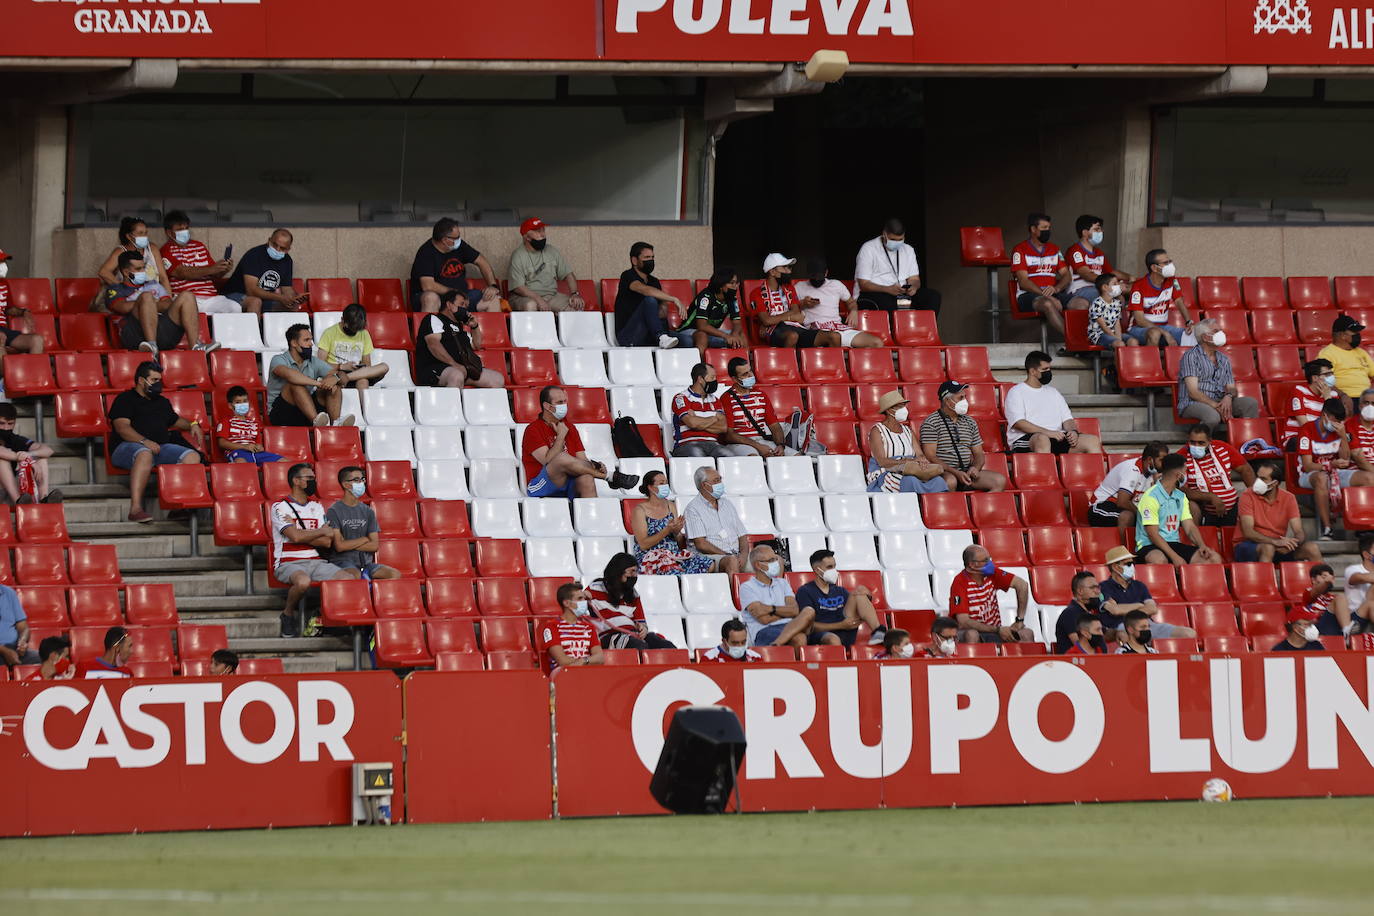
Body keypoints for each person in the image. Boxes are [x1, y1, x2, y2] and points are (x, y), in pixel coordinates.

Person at [108, 361, 205, 523]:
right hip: (126, 448)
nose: (158, 384)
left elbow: (175, 421)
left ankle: (178, 507)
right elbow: (122, 428)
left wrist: (193, 425)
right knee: (144, 454)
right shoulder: (125, 399)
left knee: (192, 457)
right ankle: (135, 509)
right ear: (140, 380)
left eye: (159, 380)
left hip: (159, 447)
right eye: (154, 380)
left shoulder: (161, 402)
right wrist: (144, 441)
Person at [270, 463, 360, 638]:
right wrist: (319, 531)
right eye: (309, 478)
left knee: (347, 579)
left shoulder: (317, 506)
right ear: (296, 481)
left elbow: (326, 542)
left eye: (314, 478)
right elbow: (295, 537)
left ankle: (319, 615)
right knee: (303, 582)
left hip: (316, 560)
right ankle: (288, 614)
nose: (313, 481)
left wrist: (301, 532)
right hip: (288, 562)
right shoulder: (280, 507)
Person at [522, 385, 638, 497]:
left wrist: (594, 466)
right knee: (561, 458)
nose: (564, 405)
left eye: (565, 401)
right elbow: (547, 461)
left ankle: (594, 515)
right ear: (547, 406)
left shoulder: (570, 427)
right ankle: (609, 477)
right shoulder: (533, 430)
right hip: (540, 484)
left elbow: (582, 459)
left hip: (568, 481)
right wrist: (561, 436)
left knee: (587, 478)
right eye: (559, 403)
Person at [105, 250, 217, 356]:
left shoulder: (154, 285)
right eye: (138, 269)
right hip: (136, 336)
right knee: (146, 296)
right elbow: (123, 307)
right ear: (125, 272)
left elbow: (168, 304)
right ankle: (151, 346)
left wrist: (149, 306)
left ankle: (195, 346)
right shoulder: (116, 289)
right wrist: (147, 302)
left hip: (163, 332)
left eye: (144, 267)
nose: (143, 271)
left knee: (187, 296)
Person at [1296, 398, 1374, 540]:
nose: (1338, 424)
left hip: (1335, 473)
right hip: (1310, 475)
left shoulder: (1341, 430)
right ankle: (1327, 529)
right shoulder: (1306, 429)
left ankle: (1364, 527)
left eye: (1340, 421)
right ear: (1324, 415)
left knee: (1369, 478)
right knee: (1321, 478)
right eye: (1335, 420)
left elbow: (1345, 457)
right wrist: (1330, 465)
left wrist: (1343, 437)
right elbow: (1307, 466)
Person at [1003, 351, 1102, 454]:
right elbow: (1018, 423)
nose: (1049, 372)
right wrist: (1048, 432)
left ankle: (1098, 471)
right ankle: (1046, 470)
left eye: (1049, 368)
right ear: (1032, 371)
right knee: (1042, 439)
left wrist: (1073, 432)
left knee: (1092, 441)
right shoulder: (1016, 392)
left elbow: (1067, 419)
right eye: (1045, 369)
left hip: (1056, 437)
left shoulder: (1054, 392)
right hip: (1028, 439)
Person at [1134, 454, 1222, 565]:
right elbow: (1153, 535)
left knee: (1213, 559)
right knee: (1159, 560)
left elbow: (1189, 527)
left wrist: (1202, 545)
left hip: (1173, 543)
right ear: (1178, 475)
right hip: (1149, 545)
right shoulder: (1150, 497)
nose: (1186, 474)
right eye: (1185, 470)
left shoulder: (1181, 496)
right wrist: (1175, 557)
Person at [919, 381, 1007, 492]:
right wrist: (955, 473)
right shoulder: (931, 422)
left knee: (999, 480)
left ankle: (981, 509)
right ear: (947, 401)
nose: (965, 401)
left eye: (965, 397)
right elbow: (930, 457)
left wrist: (975, 467)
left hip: (966, 472)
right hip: (943, 472)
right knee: (951, 481)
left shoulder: (970, 422)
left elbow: (979, 453)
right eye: (960, 398)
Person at [740, 543, 828, 648]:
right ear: (758, 565)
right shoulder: (747, 587)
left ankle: (777, 644)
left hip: (791, 625)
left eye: (775, 559)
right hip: (765, 631)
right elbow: (764, 620)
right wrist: (786, 613)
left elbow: (795, 611)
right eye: (771, 560)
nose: (776, 563)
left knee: (808, 611)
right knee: (800, 638)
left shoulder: (783, 583)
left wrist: (770, 609)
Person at [1099, 545, 1196, 640]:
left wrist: (1124, 609)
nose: (1132, 566)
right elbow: (1115, 610)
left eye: (1133, 563)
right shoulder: (1103, 587)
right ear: (1115, 567)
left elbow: (1152, 609)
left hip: (1147, 625)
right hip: (1122, 627)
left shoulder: (1139, 585)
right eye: (1128, 564)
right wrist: (1139, 605)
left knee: (1189, 633)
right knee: (1126, 634)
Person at [267, 324, 356, 427]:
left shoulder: (313, 361)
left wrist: (335, 378)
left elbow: (343, 377)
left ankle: (335, 424)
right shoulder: (278, 359)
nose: (311, 344)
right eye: (306, 340)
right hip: (280, 413)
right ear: (294, 343)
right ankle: (316, 422)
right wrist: (319, 383)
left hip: (304, 411)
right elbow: (292, 376)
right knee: (295, 385)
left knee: (334, 387)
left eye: (311, 340)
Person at [795, 549, 887, 649]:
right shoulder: (805, 591)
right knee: (833, 639)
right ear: (817, 570)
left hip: (846, 633)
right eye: (829, 567)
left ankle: (879, 632)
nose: (834, 570)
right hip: (822, 636)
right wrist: (841, 625)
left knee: (859, 593)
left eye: (834, 566)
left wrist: (867, 594)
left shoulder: (840, 591)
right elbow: (807, 626)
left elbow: (859, 609)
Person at [1176, 319, 1260, 426]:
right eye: (1216, 331)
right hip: (1193, 403)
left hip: (1218, 400)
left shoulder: (1224, 359)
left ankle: (1248, 440)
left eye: (1221, 331)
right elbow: (1193, 392)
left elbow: (1232, 388)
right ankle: (1204, 441)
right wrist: (1216, 406)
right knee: (1212, 416)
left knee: (1250, 403)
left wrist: (1228, 397)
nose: (1221, 334)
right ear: (1205, 337)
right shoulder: (1191, 356)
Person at [410, 217, 503, 313]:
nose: (459, 240)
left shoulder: (460, 246)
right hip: (438, 297)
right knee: (430, 298)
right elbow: (428, 285)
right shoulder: (426, 252)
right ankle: (431, 328)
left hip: (462, 296)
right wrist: (454, 293)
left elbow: (482, 262)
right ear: (445, 240)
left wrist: (492, 286)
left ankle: (491, 329)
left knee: (493, 300)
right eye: (456, 238)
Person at [630, 471, 716, 575]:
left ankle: (684, 583)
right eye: (662, 483)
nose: (666, 486)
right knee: (669, 567)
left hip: (674, 555)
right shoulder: (640, 510)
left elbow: (679, 543)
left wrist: (676, 532)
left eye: (666, 483)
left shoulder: (670, 506)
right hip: (651, 557)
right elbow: (643, 544)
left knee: (708, 564)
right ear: (651, 488)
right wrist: (667, 530)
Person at [749, 253, 840, 350]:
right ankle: (787, 365)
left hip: (796, 327)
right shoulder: (756, 293)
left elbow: (796, 312)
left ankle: (830, 365)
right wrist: (790, 316)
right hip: (776, 331)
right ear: (772, 272)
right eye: (785, 267)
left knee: (834, 336)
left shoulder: (789, 288)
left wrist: (775, 319)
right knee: (793, 336)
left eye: (789, 268)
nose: (788, 271)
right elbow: (766, 320)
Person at [324, 466, 401, 581]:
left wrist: (348, 544)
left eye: (362, 479)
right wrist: (364, 539)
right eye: (356, 480)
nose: (361, 483)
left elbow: (374, 546)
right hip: (342, 562)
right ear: (345, 484)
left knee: (394, 574)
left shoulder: (368, 511)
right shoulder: (334, 511)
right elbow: (339, 546)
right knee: (353, 576)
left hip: (366, 564)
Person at [585, 553, 677, 650]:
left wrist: (643, 629)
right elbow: (578, 605)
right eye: (631, 571)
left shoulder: (633, 594)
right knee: (638, 646)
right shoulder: (595, 588)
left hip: (633, 634)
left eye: (636, 572)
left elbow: (641, 621)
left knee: (666, 646)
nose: (634, 575)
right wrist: (583, 597)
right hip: (608, 636)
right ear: (618, 571)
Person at [414, 291, 503, 388]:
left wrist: (475, 326)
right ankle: (450, 403)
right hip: (435, 368)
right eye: (461, 304)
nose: (464, 308)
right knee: (456, 376)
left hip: (462, 369)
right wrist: (454, 364)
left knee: (497, 379)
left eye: (466, 305)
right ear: (449, 305)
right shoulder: (434, 319)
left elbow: (477, 345)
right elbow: (433, 344)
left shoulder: (460, 328)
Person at [1234, 461, 1321, 562]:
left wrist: (1293, 543)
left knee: (1312, 548)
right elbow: (1248, 532)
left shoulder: (1289, 498)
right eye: (1258, 477)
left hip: (1277, 545)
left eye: (1263, 479)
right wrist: (1275, 542)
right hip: (1248, 545)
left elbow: (1299, 531)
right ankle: (1265, 578)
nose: (1257, 482)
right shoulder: (1247, 495)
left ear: (1274, 483)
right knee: (1268, 548)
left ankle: (1324, 576)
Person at [159, 210, 241, 314]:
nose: (185, 231)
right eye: (180, 229)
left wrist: (223, 269)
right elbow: (182, 272)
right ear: (169, 232)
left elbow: (214, 274)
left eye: (186, 228)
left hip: (211, 299)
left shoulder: (199, 246)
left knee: (235, 307)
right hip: (186, 299)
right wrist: (211, 269)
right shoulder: (165, 251)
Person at [867, 390, 949, 493]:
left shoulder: (907, 430)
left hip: (911, 470)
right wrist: (907, 462)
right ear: (889, 410)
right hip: (886, 472)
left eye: (904, 406)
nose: (904, 409)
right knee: (910, 481)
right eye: (900, 406)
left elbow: (920, 455)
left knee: (939, 481)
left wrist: (921, 461)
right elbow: (882, 462)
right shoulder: (877, 430)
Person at [948, 544, 1033, 643]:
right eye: (986, 560)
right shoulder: (959, 582)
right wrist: (997, 629)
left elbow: (1022, 585)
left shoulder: (993, 573)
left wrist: (1019, 620)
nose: (990, 563)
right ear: (972, 565)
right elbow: (963, 622)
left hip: (995, 630)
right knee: (972, 635)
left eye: (989, 559)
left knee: (1027, 634)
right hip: (972, 631)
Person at [854, 217, 941, 314]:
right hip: (875, 293)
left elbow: (915, 279)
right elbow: (864, 284)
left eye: (900, 240)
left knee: (933, 297)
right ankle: (899, 328)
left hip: (901, 294)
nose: (896, 243)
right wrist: (887, 289)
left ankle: (925, 328)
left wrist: (913, 287)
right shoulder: (868, 249)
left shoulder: (908, 250)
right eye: (892, 239)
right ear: (884, 234)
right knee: (890, 304)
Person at [794, 257, 882, 347]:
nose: (816, 279)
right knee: (833, 337)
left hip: (837, 327)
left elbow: (851, 302)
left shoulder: (836, 285)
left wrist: (854, 312)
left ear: (826, 273)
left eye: (819, 277)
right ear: (808, 274)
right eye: (813, 276)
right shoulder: (799, 287)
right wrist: (803, 303)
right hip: (815, 331)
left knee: (876, 343)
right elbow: (790, 309)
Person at [1180, 424, 1256, 528]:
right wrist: (1210, 497)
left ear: (1209, 441)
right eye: (1192, 442)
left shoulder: (1222, 448)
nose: (1196, 446)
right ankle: (1195, 542)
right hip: (1204, 509)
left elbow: (1245, 469)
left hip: (1232, 506)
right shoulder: (1181, 457)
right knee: (1191, 506)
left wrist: (1255, 496)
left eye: (1201, 443)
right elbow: (1182, 490)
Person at [1010, 212, 1073, 338]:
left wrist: (1056, 289)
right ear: (1033, 229)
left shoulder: (1054, 249)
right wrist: (1044, 294)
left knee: (1081, 303)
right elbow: (1023, 281)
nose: (1047, 231)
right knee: (1047, 304)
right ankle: (1072, 341)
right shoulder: (1020, 250)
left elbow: (1066, 275)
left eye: (1049, 228)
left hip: (1052, 293)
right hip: (1028, 296)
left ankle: (1087, 338)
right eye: (1044, 228)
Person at [507, 218, 585, 313]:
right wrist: (538, 299)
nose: (543, 234)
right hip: (524, 297)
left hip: (551, 296)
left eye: (543, 230)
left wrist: (574, 294)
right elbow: (518, 287)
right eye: (537, 231)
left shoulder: (552, 251)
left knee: (576, 307)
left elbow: (569, 274)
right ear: (527, 237)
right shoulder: (518, 255)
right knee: (531, 305)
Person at [612, 241, 680, 349]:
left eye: (652, 257)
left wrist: (663, 306)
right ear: (634, 260)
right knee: (650, 300)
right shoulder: (627, 276)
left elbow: (662, 311)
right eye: (647, 257)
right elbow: (644, 290)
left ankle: (662, 337)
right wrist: (674, 299)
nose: (651, 260)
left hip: (650, 334)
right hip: (629, 336)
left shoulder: (654, 281)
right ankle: (661, 336)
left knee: (688, 341)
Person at [719, 357, 791, 458]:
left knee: (798, 456)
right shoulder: (726, 398)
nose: (751, 375)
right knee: (754, 458)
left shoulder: (761, 395)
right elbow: (729, 435)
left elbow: (774, 426)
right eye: (745, 374)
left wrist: (780, 445)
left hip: (762, 441)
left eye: (750, 371)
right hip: (740, 444)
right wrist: (758, 446)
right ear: (734, 379)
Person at [1088, 442, 1167, 532]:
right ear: (1150, 460)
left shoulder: (1154, 473)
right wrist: (1144, 516)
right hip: (1101, 506)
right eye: (1161, 460)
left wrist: (1158, 485)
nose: (1165, 464)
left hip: (1124, 508)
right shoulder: (1132, 469)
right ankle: (1123, 546)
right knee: (1127, 516)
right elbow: (1122, 502)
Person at [223, 229, 304, 314]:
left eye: (282, 248)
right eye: (274, 244)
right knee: (255, 302)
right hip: (234, 295)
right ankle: (253, 328)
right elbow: (251, 291)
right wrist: (280, 298)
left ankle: (277, 327)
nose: (277, 249)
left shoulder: (287, 261)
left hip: (264, 299)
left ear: (288, 249)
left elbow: (286, 288)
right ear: (269, 240)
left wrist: (294, 298)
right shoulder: (254, 255)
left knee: (292, 306)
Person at [683, 466, 747, 573]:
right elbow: (701, 544)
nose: (720, 483)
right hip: (712, 557)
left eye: (720, 479)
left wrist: (744, 556)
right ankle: (734, 590)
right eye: (716, 481)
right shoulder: (692, 509)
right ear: (704, 485)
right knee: (731, 562)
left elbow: (743, 536)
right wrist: (727, 555)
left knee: (772, 558)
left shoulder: (727, 504)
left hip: (737, 556)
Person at [1126, 249, 1193, 346]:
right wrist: (1164, 333)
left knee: (1193, 335)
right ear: (1154, 267)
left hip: (1163, 327)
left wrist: (1189, 321)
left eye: (1170, 261)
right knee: (1155, 333)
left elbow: (1179, 301)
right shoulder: (1138, 287)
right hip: (1139, 329)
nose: (1170, 265)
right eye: (1166, 263)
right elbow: (1140, 320)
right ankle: (1150, 361)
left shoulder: (1172, 280)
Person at [1065, 215, 1132, 311]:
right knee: (1116, 298)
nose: (1101, 232)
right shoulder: (1075, 251)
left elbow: (1111, 272)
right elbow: (1086, 274)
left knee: (1129, 293)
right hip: (1080, 290)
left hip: (1099, 287)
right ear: (1085, 233)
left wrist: (1130, 278)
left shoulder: (1098, 252)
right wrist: (1112, 284)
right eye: (1096, 229)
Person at [316, 304, 390, 390]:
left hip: (356, 374)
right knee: (363, 380)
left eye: (357, 330)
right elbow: (319, 365)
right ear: (342, 320)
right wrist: (341, 367)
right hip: (335, 372)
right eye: (351, 329)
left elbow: (367, 365)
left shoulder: (364, 333)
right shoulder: (329, 333)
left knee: (384, 367)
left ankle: (343, 378)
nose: (354, 332)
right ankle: (339, 378)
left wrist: (360, 367)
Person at [0, 402, 61, 503]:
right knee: (2, 461)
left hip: (12, 490)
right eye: (1, 423)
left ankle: (44, 499)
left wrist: (30, 455)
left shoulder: (14, 439)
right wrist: (24, 458)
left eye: (10, 424)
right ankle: (18, 502)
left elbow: (48, 450)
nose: (6, 428)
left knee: (41, 458)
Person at [677, 267, 745, 355]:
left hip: (711, 332)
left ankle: (744, 366)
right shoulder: (706, 297)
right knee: (702, 336)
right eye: (732, 283)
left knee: (740, 335)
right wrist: (726, 336)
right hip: (689, 330)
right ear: (721, 285)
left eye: (737, 283)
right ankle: (699, 367)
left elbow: (737, 323)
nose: (735, 286)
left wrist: (734, 335)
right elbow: (702, 326)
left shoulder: (732, 299)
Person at [671, 362, 732, 458]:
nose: (715, 380)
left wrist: (697, 421)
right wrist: (714, 418)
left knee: (730, 458)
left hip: (713, 445)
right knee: (699, 458)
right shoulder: (681, 398)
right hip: (687, 444)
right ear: (700, 379)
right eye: (712, 377)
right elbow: (692, 423)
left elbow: (723, 427)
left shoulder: (715, 400)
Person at [543, 583, 605, 669]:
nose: (584, 601)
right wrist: (589, 661)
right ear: (566, 603)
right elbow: (562, 660)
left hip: (588, 675)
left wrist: (584, 661)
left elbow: (600, 658)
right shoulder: (552, 626)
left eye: (584, 598)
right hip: (563, 676)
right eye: (580, 598)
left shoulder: (589, 627)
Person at [215, 386, 282, 465]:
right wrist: (245, 447)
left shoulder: (254, 424)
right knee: (241, 462)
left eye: (245, 401)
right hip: (237, 453)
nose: (242, 404)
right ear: (230, 405)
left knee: (282, 461)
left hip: (255, 454)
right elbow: (222, 443)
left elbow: (258, 444)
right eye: (238, 402)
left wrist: (260, 448)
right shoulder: (226, 421)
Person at [1284, 359, 1339, 448]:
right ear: (1315, 378)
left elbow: (1336, 424)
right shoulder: (1299, 391)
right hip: (1298, 437)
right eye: (1327, 374)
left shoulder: (1333, 395)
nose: (1332, 377)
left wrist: (1328, 399)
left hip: (1324, 438)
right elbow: (1304, 425)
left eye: (1332, 373)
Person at [1292, 564, 1357, 637]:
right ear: (1313, 580)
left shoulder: (1334, 598)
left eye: (1330, 577)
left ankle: (1347, 632)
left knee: (1368, 605)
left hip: (1335, 626)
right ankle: (1347, 633)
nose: (1328, 579)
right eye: (1324, 576)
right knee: (1341, 597)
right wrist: (1326, 582)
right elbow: (1317, 590)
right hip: (1317, 626)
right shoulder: (1309, 592)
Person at [96, 216, 162, 288]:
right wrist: (123, 289)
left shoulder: (152, 248)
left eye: (145, 233)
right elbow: (103, 272)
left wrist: (168, 297)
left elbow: (163, 277)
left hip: (155, 293)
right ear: (129, 236)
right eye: (140, 233)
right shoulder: (120, 251)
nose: (144, 236)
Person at [1318, 315, 1374, 399]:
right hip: (1344, 398)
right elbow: (1323, 382)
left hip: (1367, 398)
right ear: (1342, 335)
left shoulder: (1361, 352)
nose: (1358, 335)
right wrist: (1342, 395)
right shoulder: (1327, 354)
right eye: (1354, 332)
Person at [1055, 571, 1108, 653]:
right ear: (1080, 591)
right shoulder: (1070, 614)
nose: (1098, 592)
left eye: (1098, 587)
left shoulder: (1092, 612)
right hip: (1075, 663)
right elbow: (1081, 647)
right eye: (1093, 588)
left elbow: (1104, 636)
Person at [1085, 273, 1135, 351]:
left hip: (1113, 333)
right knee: (1119, 344)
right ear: (1105, 287)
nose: (1118, 285)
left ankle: (1131, 363)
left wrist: (1118, 337)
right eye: (1114, 283)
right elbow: (1103, 326)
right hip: (1099, 335)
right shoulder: (1097, 303)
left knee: (1133, 341)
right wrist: (1117, 339)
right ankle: (1118, 363)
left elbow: (1117, 323)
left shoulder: (1117, 303)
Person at [0, 581, 37, 666]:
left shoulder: (9, 592)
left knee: (45, 660)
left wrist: (22, 641)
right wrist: (5, 651)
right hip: (3, 650)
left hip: (14, 648)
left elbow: (23, 626)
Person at [1346, 532, 1374, 629]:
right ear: (1367, 555)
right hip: (1356, 619)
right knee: (1371, 604)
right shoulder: (1353, 569)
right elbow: (1357, 578)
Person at [1344, 387, 1374, 465]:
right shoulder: (1349, 425)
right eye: (1366, 403)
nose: (1370, 406)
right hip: (1360, 470)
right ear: (1360, 406)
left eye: (1373, 403)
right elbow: (1356, 455)